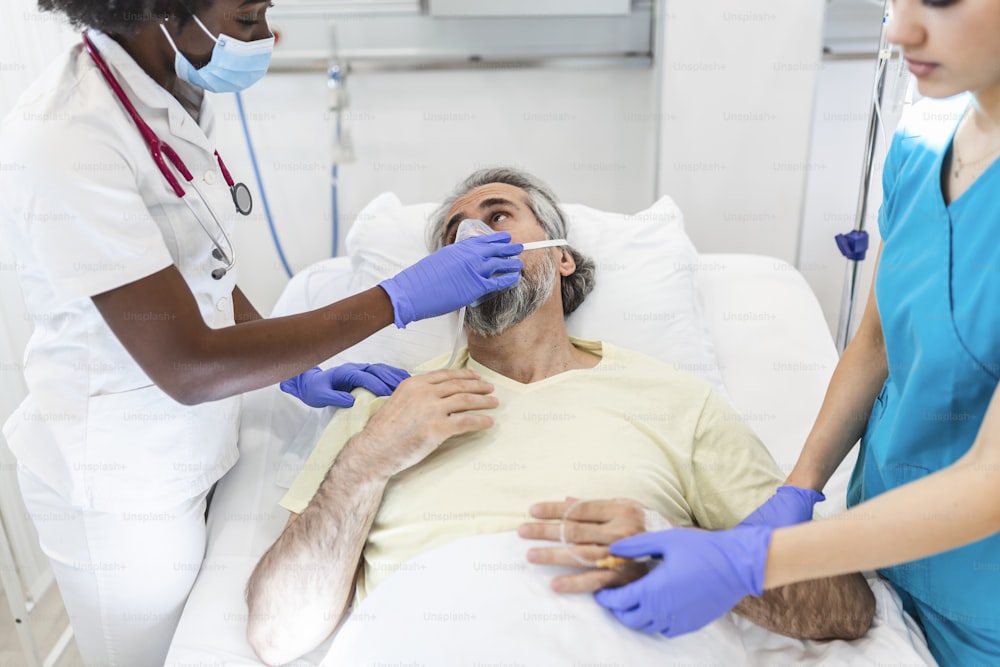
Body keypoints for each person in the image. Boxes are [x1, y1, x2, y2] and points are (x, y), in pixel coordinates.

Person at [0, 2, 523, 664]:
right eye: (248, 19)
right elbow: (187, 363)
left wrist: (292, 368)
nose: (269, 34)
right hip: (121, 480)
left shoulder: (174, 86)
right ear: (164, 9)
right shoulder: (64, 138)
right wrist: (396, 298)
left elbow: (201, 273)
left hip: (196, 434)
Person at [244, 168, 876, 666]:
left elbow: (843, 606)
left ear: (562, 257)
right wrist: (369, 459)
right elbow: (276, 635)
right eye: (452, 239)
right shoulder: (386, 410)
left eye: (498, 217)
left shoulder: (677, 401)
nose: (472, 240)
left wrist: (674, 549)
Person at [593, 1, 1000, 664]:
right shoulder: (925, 139)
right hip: (880, 547)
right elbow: (875, 339)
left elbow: (990, 478)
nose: (898, 30)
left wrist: (749, 560)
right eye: (894, 1)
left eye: (941, 1)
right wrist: (801, 485)